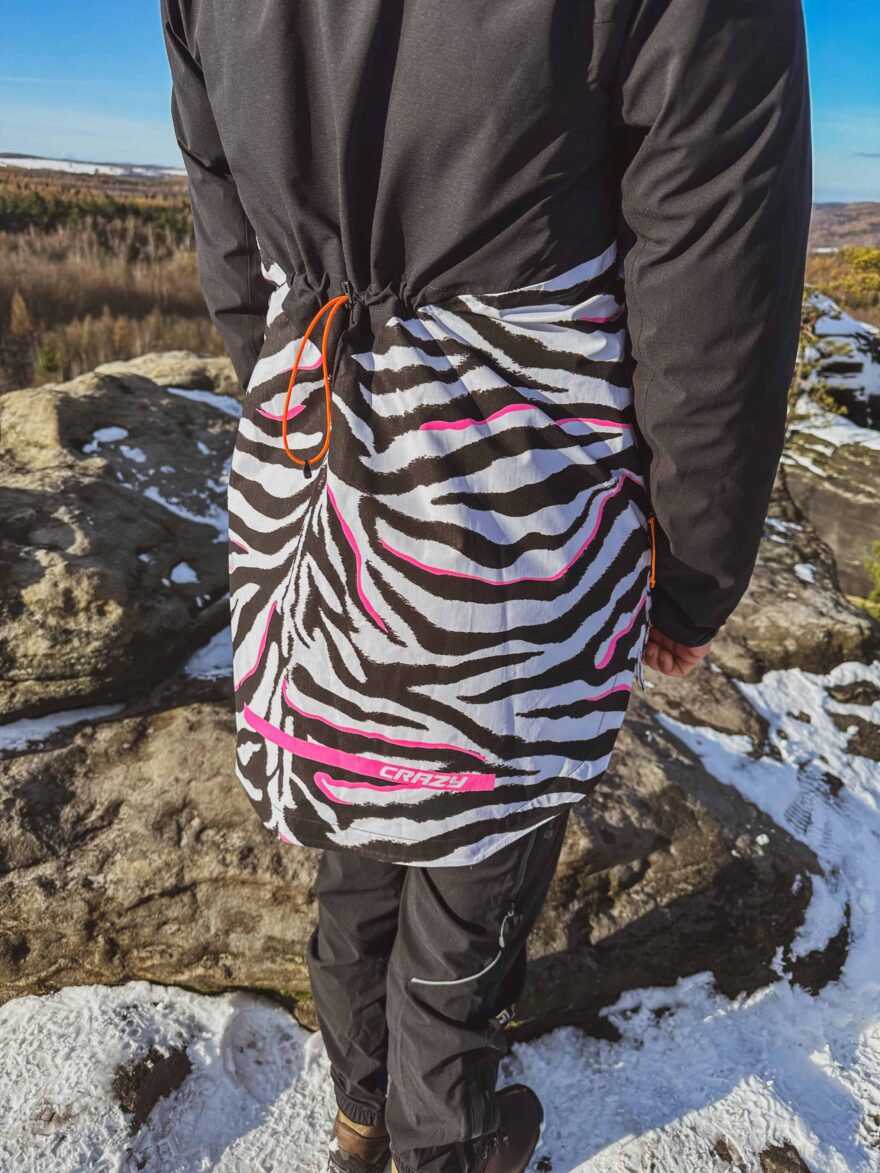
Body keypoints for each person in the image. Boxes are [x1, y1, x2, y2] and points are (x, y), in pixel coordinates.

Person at [160, 1, 811, 1169]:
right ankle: (444, 1144)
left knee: (360, 800)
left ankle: (362, 1112)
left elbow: (228, 230)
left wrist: (319, 419)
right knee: (477, 849)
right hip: (511, 488)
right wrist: (688, 573)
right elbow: (717, 274)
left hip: (312, 456)